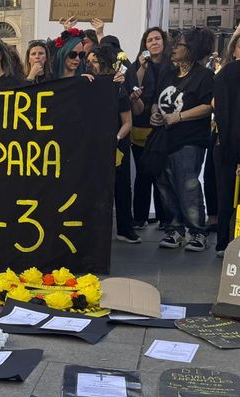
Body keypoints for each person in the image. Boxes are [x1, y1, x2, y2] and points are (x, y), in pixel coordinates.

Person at [152, 27, 216, 251]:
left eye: (179, 45)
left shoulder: (204, 76)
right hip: (164, 138)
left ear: (191, 49)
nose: (173, 49)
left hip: (190, 139)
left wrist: (179, 117)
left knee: (187, 186)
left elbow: (208, 106)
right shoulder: (167, 73)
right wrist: (155, 112)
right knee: (164, 185)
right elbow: (156, 98)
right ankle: (175, 230)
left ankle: (197, 232)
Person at [90, 44, 137, 243]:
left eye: (95, 61)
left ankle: (125, 229)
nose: (91, 65)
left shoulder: (119, 89)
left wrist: (115, 140)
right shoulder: (88, 84)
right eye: (89, 61)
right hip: (94, 148)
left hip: (117, 147)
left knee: (122, 188)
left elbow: (128, 123)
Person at [132, 27, 172, 228]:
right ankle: (139, 217)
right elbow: (133, 87)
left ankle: (165, 218)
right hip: (140, 127)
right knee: (142, 174)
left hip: (163, 126)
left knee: (161, 175)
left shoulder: (171, 65)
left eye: (157, 39)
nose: (154, 42)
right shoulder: (140, 64)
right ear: (145, 45)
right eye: (150, 40)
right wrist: (141, 68)